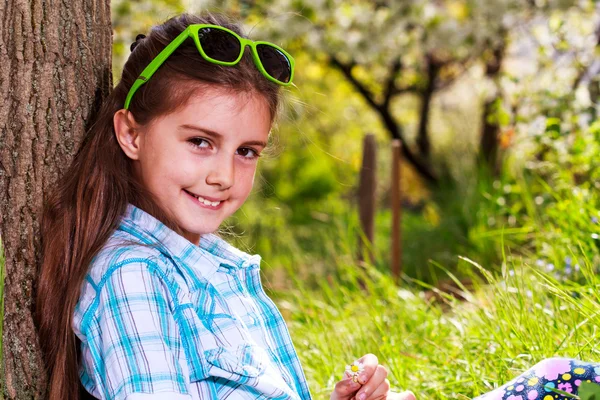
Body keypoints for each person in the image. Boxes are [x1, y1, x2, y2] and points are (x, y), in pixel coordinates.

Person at [34, 12, 417, 400]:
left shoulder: (214, 266)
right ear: (131, 134)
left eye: (246, 151)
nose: (225, 176)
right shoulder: (133, 277)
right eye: (201, 142)